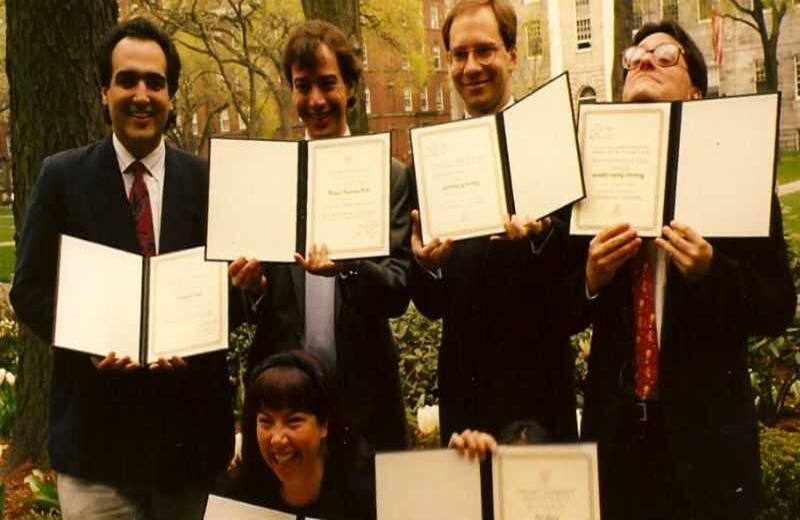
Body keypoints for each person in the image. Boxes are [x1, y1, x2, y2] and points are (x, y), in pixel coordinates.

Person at [10, 18, 233, 520]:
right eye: (127, 80)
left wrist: (240, 293)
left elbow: (233, 298)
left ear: (171, 96)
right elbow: (29, 291)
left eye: (155, 82)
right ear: (103, 92)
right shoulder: (61, 178)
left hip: (190, 444)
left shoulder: (209, 182)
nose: (141, 95)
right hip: (96, 448)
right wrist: (86, 340)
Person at [579, 20, 796, 520]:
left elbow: (777, 305)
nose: (644, 62)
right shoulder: (594, 177)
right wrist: (590, 278)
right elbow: (560, 306)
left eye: (664, 57)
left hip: (705, 452)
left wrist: (711, 271)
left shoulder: (737, 176)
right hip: (618, 448)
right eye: (634, 59)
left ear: (696, 93)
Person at [229, 20, 411, 452]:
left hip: (365, 401)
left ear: (350, 87)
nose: (315, 100)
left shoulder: (387, 175)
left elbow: (398, 290)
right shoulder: (271, 179)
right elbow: (249, 307)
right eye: (302, 86)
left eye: (327, 84)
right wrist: (251, 287)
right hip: (284, 404)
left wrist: (351, 269)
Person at [409, 0, 586, 444]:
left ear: (511, 53)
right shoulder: (430, 162)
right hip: (466, 395)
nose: (471, 67)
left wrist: (541, 234)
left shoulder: (551, 143)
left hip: (539, 392)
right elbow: (431, 304)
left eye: (484, 50)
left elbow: (578, 268)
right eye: (459, 54)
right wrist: (427, 266)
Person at [215, 350, 374, 519]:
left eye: (293, 421)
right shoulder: (231, 497)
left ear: (324, 425)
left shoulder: (367, 497)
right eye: (266, 422)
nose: (277, 439)